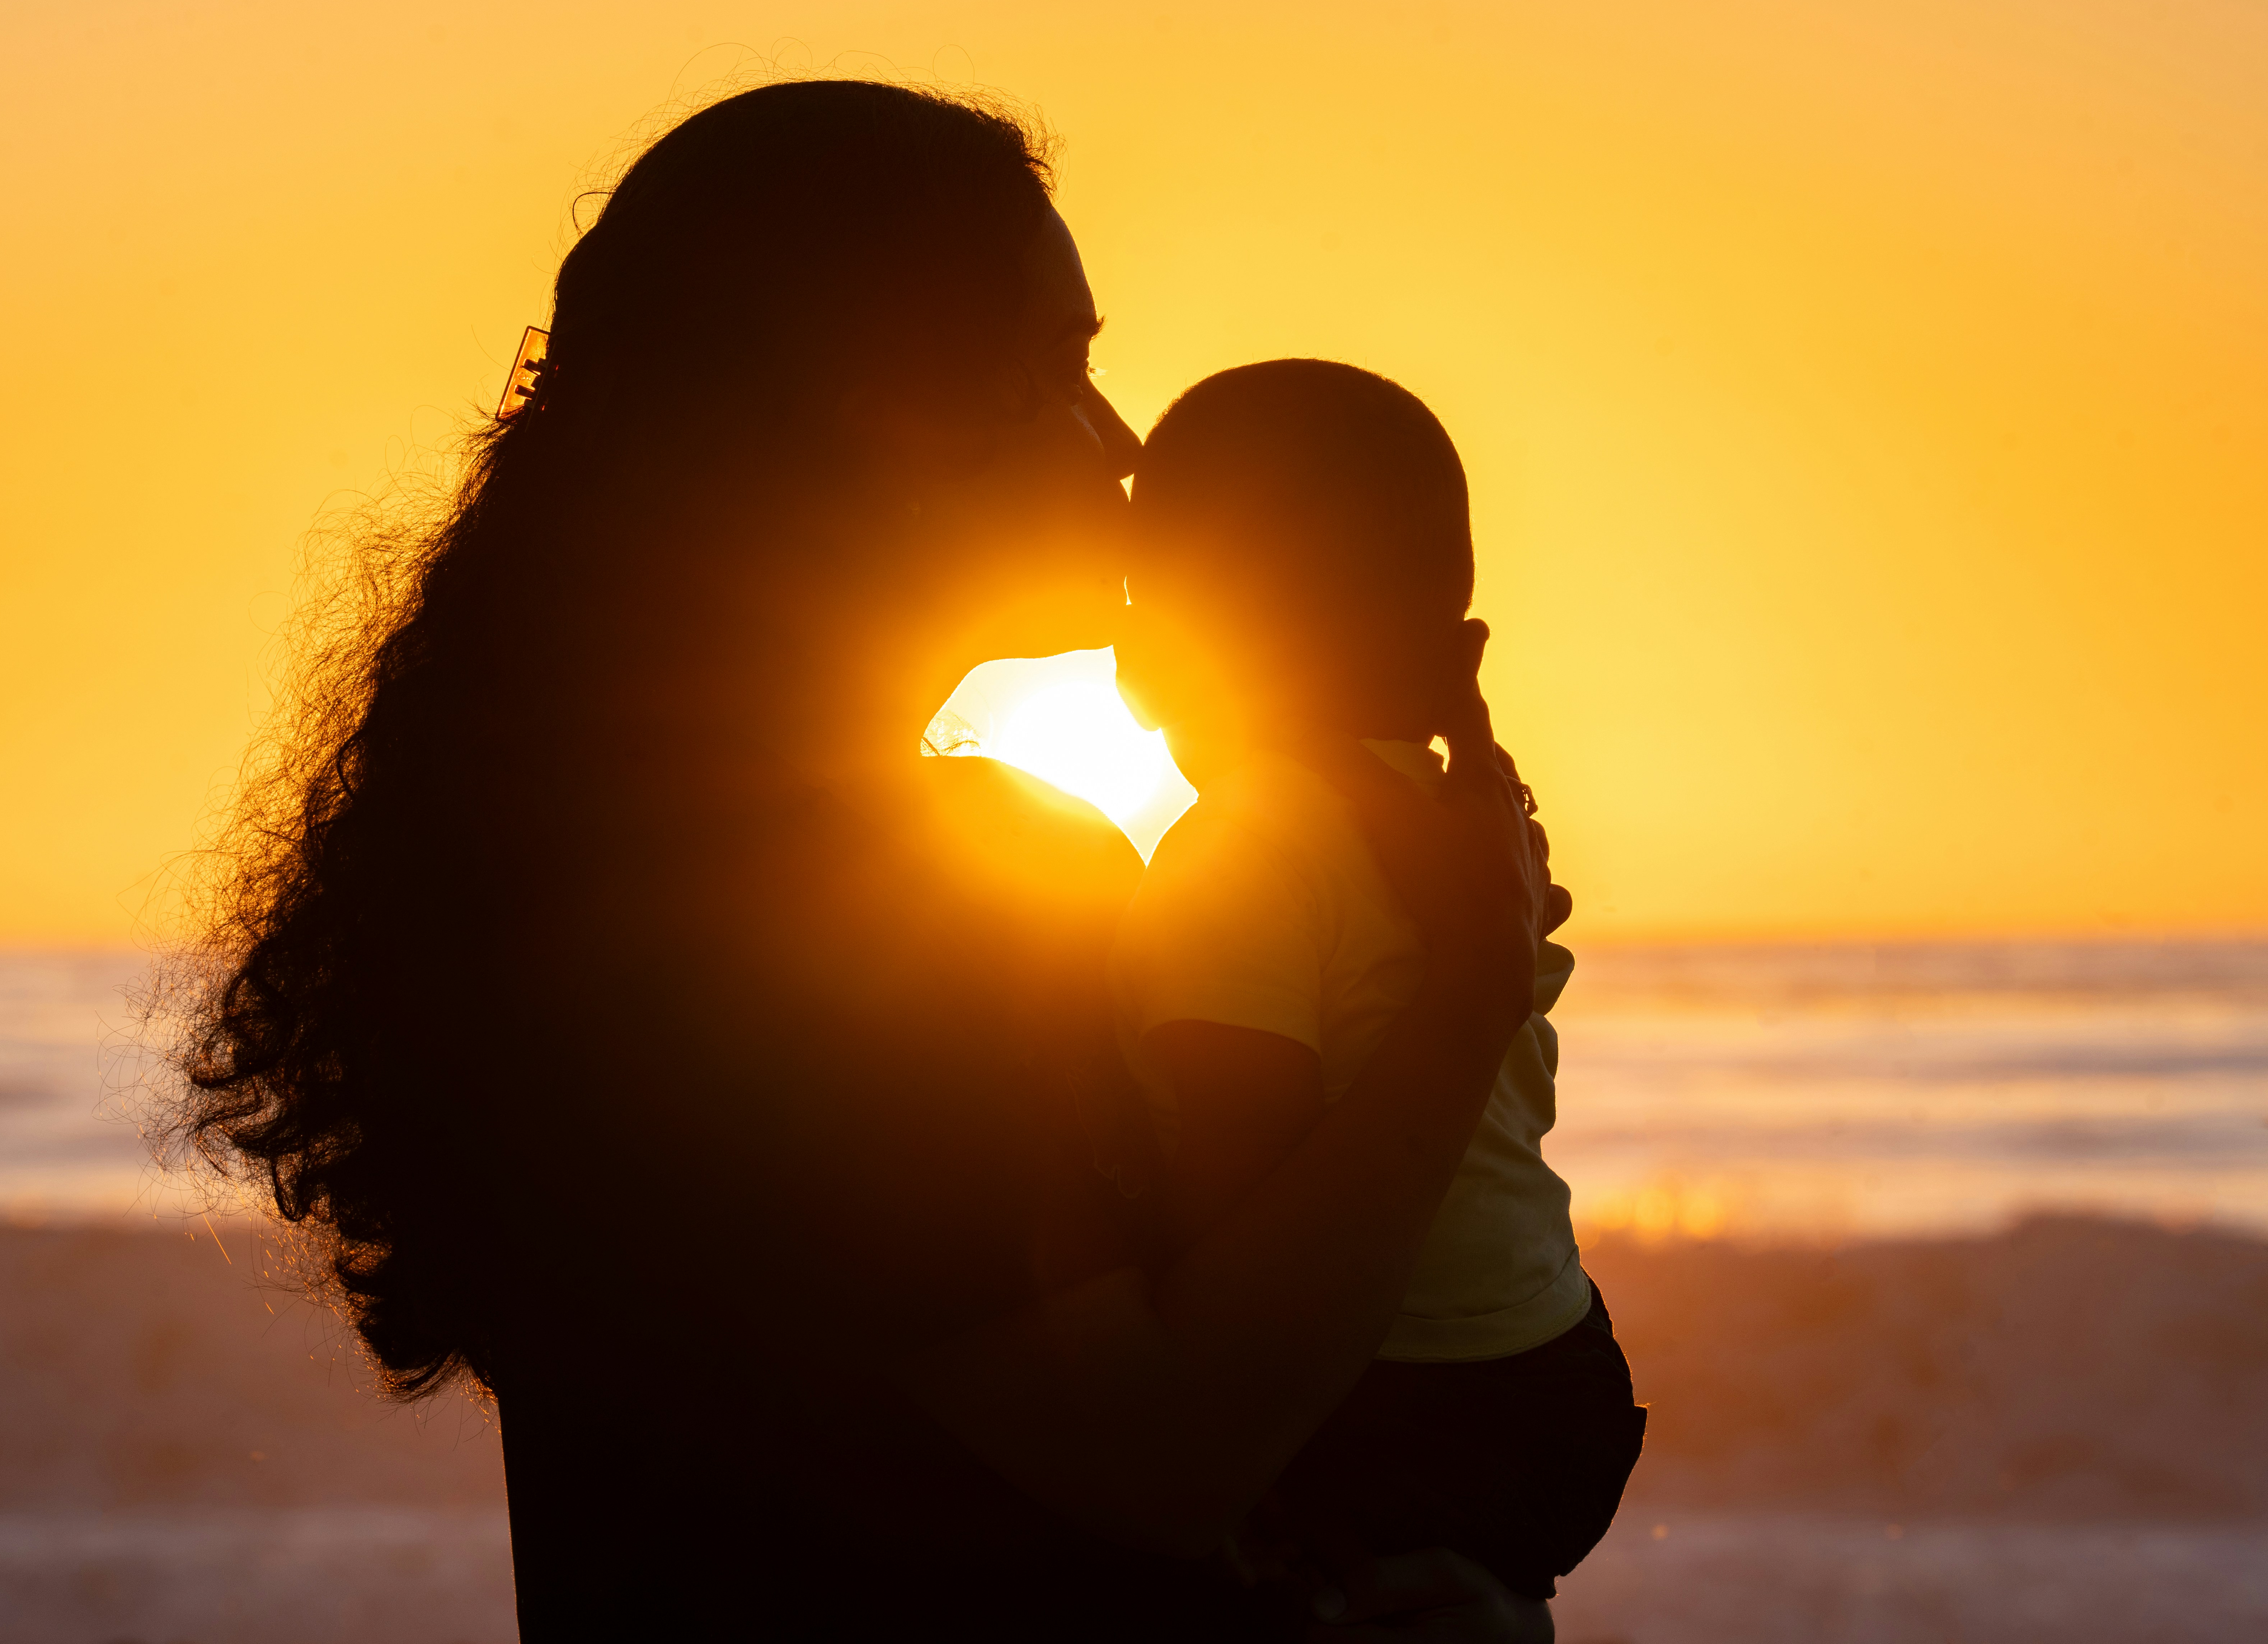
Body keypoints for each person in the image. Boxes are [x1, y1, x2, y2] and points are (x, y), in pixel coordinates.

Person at [163, 81, 1551, 1639]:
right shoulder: (833, 908)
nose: (1123, 453)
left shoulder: (576, 853)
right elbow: (1168, 1456)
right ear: (815, 429)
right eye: (1046, 376)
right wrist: (1458, 1003)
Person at [1112, 360, 1646, 1635]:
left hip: (1398, 1406)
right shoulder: (1479, 842)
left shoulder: (1239, 854)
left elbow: (1248, 1210)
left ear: (1145, 662)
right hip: (1556, 1366)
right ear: (1452, 653)